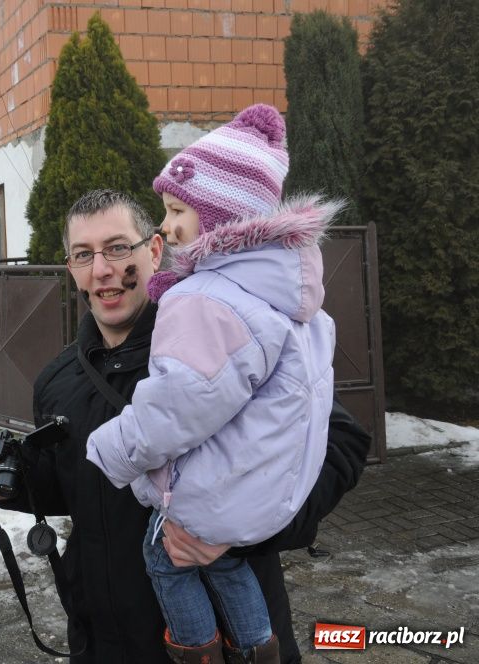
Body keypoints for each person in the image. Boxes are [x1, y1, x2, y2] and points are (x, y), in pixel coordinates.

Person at [0, 188, 370, 664]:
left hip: (228, 644)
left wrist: (244, 532)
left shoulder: (223, 336)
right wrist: (13, 486)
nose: (102, 270)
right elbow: (76, 487)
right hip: (106, 644)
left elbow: (342, 443)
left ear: (155, 251)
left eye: (117, 248)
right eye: (82, 255)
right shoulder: (58, 379)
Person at [85, 105, 337, 664]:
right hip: (263, 498)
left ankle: (198, 651)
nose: (166, 226)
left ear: (222, 219)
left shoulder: (207, 301)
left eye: (178, 210)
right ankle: (255, 648)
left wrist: (109, 450)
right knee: (226, 565)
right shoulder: (294, 304)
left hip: (210, 501)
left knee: (163, 557)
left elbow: (177, 407)